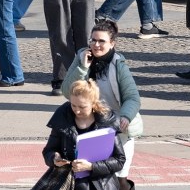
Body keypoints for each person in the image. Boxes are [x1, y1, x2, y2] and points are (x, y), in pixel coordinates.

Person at [61, 21, 143, 190]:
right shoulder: (82, 57)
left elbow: (132, 97)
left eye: (101, 41)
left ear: (112, 43)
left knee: (119, 181)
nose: (96, 45)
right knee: (88, 179)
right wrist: (83, 68)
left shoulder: (118, 64)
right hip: (89, 127)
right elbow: (67, 91)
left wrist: (125, 117)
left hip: (117, 129)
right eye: (93, 40)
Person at [41, 79, 126, 190]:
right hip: (68, 180)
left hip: (101, 184)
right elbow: (49, 150)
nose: (77, 111)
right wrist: (54, 158)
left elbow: (119, 160)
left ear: (94, 103)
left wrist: (91, 166)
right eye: (73, 105)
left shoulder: (107, 121)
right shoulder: (63, 117)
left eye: (82, 107)